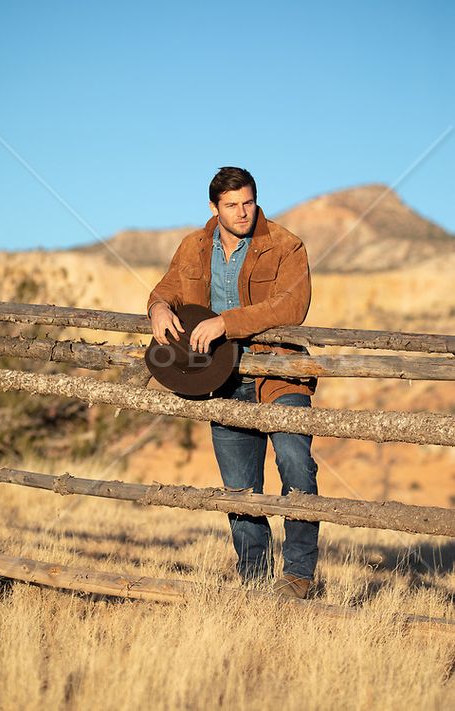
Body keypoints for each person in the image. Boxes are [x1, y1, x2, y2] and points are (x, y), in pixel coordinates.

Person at [147, 167, 318, 599]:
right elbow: (165, 289)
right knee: (240, 489)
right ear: (214, 208)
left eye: (248, 202)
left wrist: (227, 322)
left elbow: (291, 306)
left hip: (278, 373)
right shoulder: (193, 247)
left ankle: (297, 576)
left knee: (296, 465)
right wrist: (158, 308)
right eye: (232, 205)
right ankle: (255, 584)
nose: (243, 212)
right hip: (220, 378)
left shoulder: (284, 245)